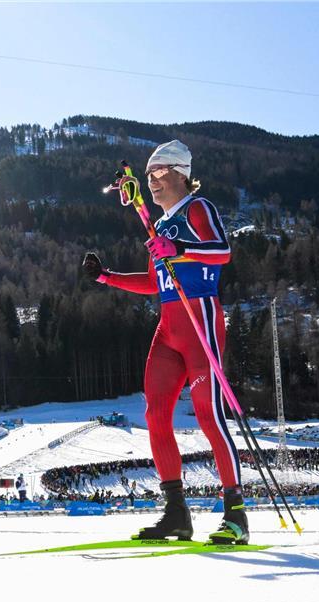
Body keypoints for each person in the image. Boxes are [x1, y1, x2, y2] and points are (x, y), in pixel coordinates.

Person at [82, 140, 248, 545]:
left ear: (181, 174)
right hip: (169, 327)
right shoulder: (158, 227)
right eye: (149, 175)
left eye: (160, 174)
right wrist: (107, 277)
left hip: (200, 318)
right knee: (155, 414)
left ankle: (236, 516)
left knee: (209, 417)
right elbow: (157, 283)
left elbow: (221, 252)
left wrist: (180, 249)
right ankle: (176, 514)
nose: (153, 182)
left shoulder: (198, 208)